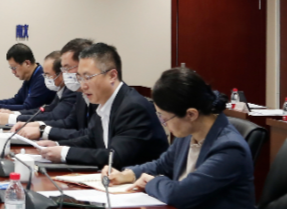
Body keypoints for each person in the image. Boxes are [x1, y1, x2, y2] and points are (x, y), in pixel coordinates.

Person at [102, 68, 255, 209]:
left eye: (165, 118)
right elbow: (162, 165)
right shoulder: (189, 131)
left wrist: (152, 182)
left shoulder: (230, 149)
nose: (163, 124)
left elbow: (181, 195)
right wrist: (127, 174)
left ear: (191, 114)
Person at [34, 43, 168, 169]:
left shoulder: (133, 107)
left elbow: (115, 157)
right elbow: (91, 139)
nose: (83, 85)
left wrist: (65, 153)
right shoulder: (104, 102)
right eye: (80, 78)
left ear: (112, 76)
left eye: (88, 77)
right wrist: (57, 145)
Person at [17, 38, 96, 141]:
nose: (64, 73)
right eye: (63, 69)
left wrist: (42, 131)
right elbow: (69, 122)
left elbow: (90, 137)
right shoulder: (80, 93)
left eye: (67, 68)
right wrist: (38, 127)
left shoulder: (78, 91)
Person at [0, 51, 78, 125]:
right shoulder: (59, 90)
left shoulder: (70, 91)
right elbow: (44, 110)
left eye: (48, 75)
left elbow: (53, 116)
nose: (45, 78)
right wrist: (13, 113)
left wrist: (12, 118)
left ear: (61, 74)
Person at [0, 43, 55, 113]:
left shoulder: (42, 78)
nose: (13, 72)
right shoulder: (30, 76)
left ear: (27, 63)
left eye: (14, 68)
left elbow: (28, 108)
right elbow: (17, 100)